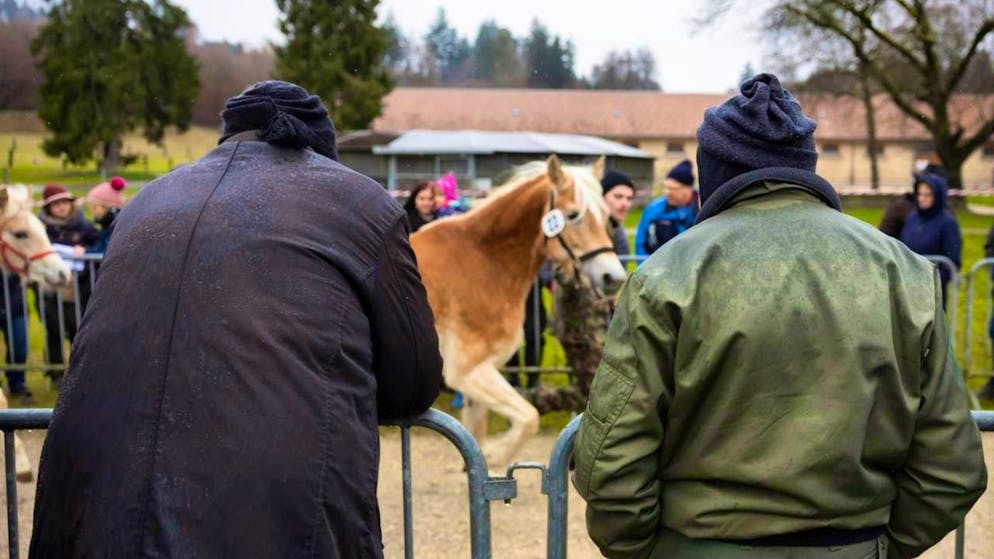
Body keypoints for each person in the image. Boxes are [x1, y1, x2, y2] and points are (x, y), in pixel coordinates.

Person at [573, 74, 986, 559]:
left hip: (700, 544)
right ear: (806, 167)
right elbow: (951, 465)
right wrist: (879, 548)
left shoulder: (666, 274)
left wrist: (649, 550)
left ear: (713, 174)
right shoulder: (904, 273)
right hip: (850, 543)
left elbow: (610, 460)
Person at [29, 81, 443, 558]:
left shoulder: (146, 202)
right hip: (270, 515)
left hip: (89, 507)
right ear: (320, 146)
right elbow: (413, 380)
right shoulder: (361, 202)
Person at [35, 184, 99, 378]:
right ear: (48, 208)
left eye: (64, 202)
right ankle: (55, 374)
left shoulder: (84, 225)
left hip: (78, 289)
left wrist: (86, 253)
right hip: (50, 290)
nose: (61, 207)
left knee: (77, 331)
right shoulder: (41, 229)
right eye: (56, 204)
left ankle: (77, 375)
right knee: (53, 331)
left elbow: (99, 244)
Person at [899, 172, 961, 307]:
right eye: (920, 194)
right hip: (907, 287)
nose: (922, 198)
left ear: (937, 196)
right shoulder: (912, 218)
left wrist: (933, 280)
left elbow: (952, 261)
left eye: (927, 195)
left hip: (933, 291)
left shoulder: (948, 222)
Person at [634, 159, 698, 257]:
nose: (667, 193)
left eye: (673, 188)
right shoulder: (654, 209)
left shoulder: (703, 206)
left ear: (688, 188)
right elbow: (641, 243)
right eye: (666, 187)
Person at [83, 176, 127, 255]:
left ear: (110, 208)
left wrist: (84, 252)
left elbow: (104, 253)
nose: (92, 210)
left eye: (95, 207)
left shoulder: (114, 230)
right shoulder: (107, 227)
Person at [601, 169, 635, 256]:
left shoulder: (618, 231)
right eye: (618, 196)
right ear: (601, 196)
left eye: (629, 198)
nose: (625, 204)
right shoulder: (587, 232)